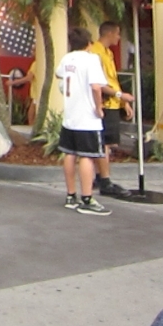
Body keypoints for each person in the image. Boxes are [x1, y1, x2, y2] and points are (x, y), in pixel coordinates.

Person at [56, 26, 112, 216]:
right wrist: (99, 107)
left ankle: (71, 195)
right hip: (87, 117)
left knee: (69, 154)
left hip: (70, 115)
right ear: (88, 43)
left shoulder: (67, 59)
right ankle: (87, 198)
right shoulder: (91, 59)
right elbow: (96, 87)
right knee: (87, 156)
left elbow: (59, 74)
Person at [89, 21, 136, 197]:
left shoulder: (108, 53)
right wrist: (119, 96)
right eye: (117, 34)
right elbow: (98, 83)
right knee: (104, 143)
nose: (118, 37)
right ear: (109, 33)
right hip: (105, 104)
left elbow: (112, 80)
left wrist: (124, 102)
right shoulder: (95, 53)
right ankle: (105, 181)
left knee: (106, 143)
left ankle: (100, 177)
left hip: (114, 103)